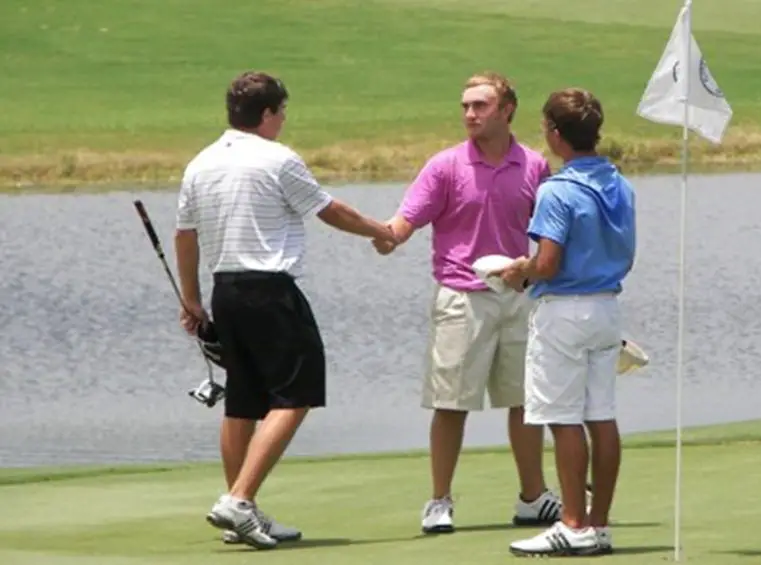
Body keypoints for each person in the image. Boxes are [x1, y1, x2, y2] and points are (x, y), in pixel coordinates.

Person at [174, 71, 396, 550]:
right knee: (296, 394)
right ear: (269, 114)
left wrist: (190, 301)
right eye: (282, 112)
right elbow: (330, 210)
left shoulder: (201, 162)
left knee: (243, 400)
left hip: (224, 292)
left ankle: (241, 508)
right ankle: (239, 500)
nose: (284, 120)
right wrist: (382, 230)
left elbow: (185, 235)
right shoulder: (278, 159)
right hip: (270, 291)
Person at [372, 71, 563, 534]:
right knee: (451, 403)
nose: (470, 114)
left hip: (519, 298)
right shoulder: (445, 166)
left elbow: (550, 234)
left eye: (480, 105)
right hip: (462, 298)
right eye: (465, 106)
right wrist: (386, 236)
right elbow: (405, 222)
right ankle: (439, 501)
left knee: (524, 402)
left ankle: (532, 497)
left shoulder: (534, 165)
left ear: (506, 110)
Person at [492, 87, 637, 557]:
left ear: (556, 134)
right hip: (607, 309)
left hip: (565, 312)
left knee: (562, 418)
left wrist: (518, 270)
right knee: (602, 416)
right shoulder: (620, 182)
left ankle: (573, 525)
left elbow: (548, 262)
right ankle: (598, 525)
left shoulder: (557, 189)